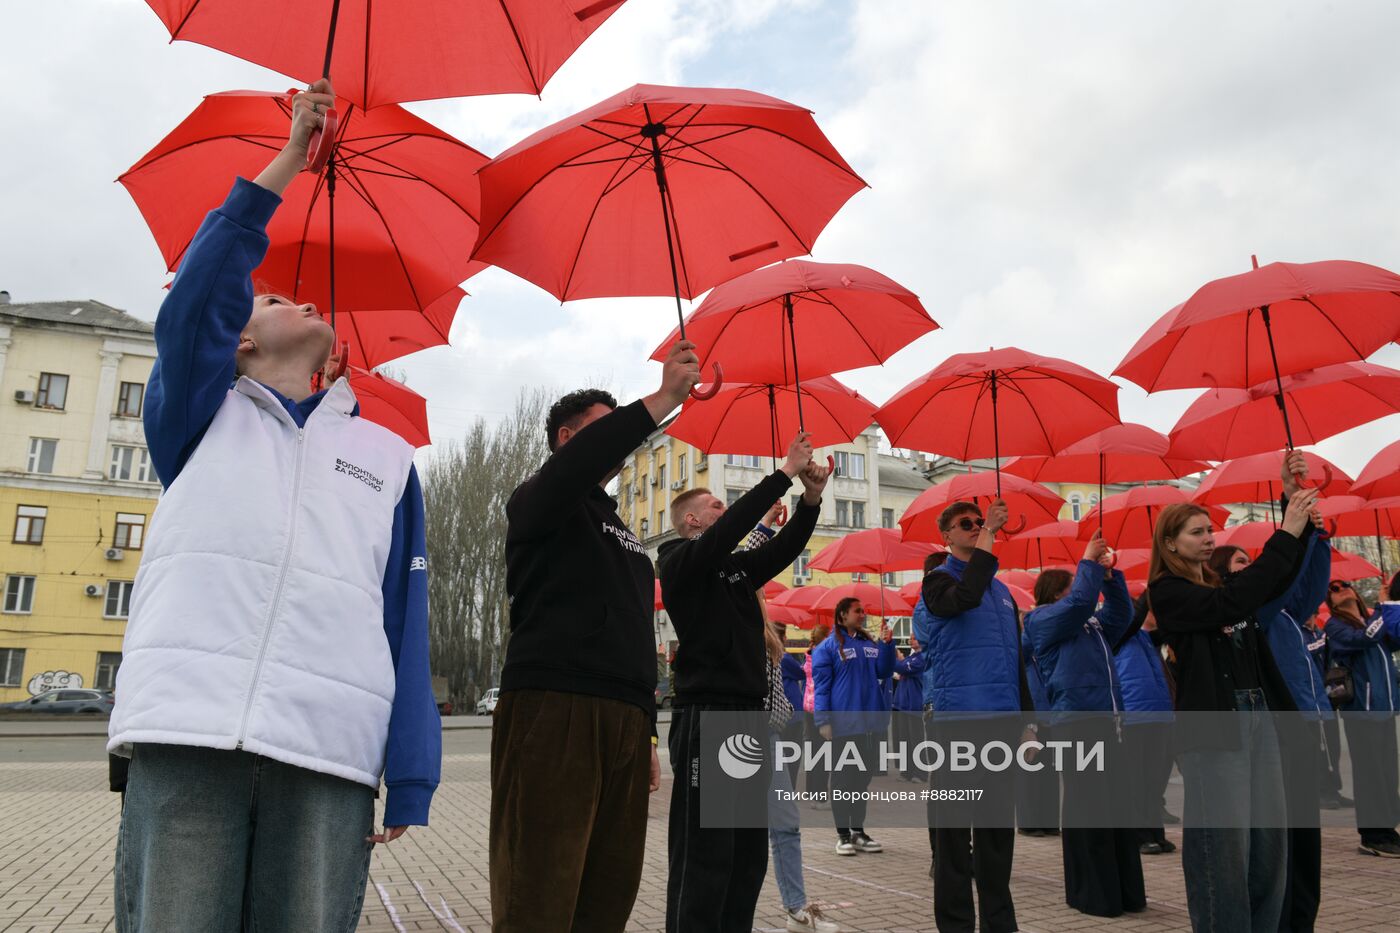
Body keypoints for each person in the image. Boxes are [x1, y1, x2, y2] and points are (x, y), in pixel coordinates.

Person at [108, 80, 440, 932]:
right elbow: (196, 303)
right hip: (188, 733)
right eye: (270, 298)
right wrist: (291, 156)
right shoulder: (197, 414)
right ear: (240, 340)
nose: (297, 298)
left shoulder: (386, 456)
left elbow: (404, 616)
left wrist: (410, 768)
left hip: (327, 750)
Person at [492, 346, 701, 929]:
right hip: (557, 708)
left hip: (626, 719)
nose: (623, 441)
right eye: (604, 430)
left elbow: (632, 634)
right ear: (567, 437)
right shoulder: (541, 497)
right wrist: (661, 401)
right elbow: (572, 472)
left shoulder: (616, 524)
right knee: (539, 892)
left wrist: (647, 735)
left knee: (608, 894)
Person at [659, 434, 829, 933]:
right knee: (705, 856)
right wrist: (781, 472)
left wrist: (810, 498)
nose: (724, 508)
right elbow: (732, 528)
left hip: (747, 719)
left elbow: (784, 549)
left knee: (745, 856)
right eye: (715, 504)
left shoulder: (732, 569)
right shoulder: (678, 562)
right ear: (693, 520)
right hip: (707, 718)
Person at [1147, 462, 1321, 933]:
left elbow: (1275, 582)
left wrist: (1293, 507)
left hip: (1261, 716)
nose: (1209, 538)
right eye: (1196, 532)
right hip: (1217, 731)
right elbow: (1232, 604)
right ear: (1169, 544)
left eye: (1210, 530)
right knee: (1222, 854)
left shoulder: (1221, 585)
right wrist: (1285, 532)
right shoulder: (1168, 592)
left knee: (1269, 851)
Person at [1209, 495, 1332, 931]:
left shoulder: (1282, 615)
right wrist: (1293, 523)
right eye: (1241, 560)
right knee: (1278, 842)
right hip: (1268, 731)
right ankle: (1280, 919)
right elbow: (1277, 576)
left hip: (1301, 723)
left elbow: (1308, 586)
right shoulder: (1242, 610)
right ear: (1224, 572)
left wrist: (1317, 538)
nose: (1251, 564)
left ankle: (1300, 918)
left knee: (1305, 837)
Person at [916, 499, 1032, 933]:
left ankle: (1001, 925)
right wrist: (989, 541)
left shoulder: (1002, 594)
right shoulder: (937, 579)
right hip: (957, 723)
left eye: (979, 523)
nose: (975, 527)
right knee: (952, 835)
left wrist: (1029, 721)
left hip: (1001, 723)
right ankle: (956, 925)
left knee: (997, 836)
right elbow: (960, 600)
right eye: (966, 524)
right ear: (946, 535)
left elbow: (1014, 661)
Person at [1024, 533, 1143, 918]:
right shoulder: (1041, 620)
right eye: (1072, 585)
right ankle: (1092, 893)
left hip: (1108, 720)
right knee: (1088, 809)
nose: (1079, 590)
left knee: (1118, 808)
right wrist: (1088, 564)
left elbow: (1121, 616)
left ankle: (1124, 891)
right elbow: (1079, 603)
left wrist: (1110, 577)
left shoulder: (1088, 624)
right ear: (1055, 592)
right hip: (1075, 723)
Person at [763, 618, 840, 933]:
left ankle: (796, 911)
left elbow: (782, 688)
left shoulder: (767, 636)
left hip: (768, 732)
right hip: (732, 730)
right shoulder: (726, 619)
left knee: (786, 825)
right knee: (730, 834)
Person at [812, 597, 897, 855]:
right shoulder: (827, 647)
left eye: (863, 609)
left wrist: (886, 644)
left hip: (870, 723)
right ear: (842, 616)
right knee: (843, 779)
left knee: (862, 778)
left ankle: (858, 832)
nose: (863, 614)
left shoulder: (869, 643)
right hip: (844, 725)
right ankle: (842, 834)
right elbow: (822, 687)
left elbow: (884, 670)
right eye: (857, 610)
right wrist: (823, 720)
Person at [1323, 576, 1400, 857]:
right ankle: (1372, 834)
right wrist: (1382, 608)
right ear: (1329, 601)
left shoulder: (1373, 619)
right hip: (1361, 713)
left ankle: (1387, 828)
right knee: (1370, 774)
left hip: (1384, 708)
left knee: (1388, 772)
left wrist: (1390, 605)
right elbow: (1365, 639)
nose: (1340, 589)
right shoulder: (1334, 626)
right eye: (1333, 589)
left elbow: (1395, 636)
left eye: (1343, 584)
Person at [1112, 598, 1177, 855]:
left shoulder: (1145, 638)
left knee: (1154, 780)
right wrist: (1154, 586)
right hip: (1133, 716)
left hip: (1159, 715)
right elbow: (1136, 615)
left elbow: (1172, 628)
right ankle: (1139, 836)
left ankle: (1155, 833)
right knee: (1136, 780)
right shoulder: (1117, 633)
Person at [891, 636, 930, 782]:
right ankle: (906, 771)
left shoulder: (922, 657)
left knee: (916, 740)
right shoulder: (912, 657)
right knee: (904, 739)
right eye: (911, 638)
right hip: (902, 703)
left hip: (914, 704)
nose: (911, 640)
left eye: (915, 638)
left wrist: (896, 659)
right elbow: (902, 666)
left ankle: (921, 773)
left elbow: (902, 668)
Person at [803, 624, 833, 803]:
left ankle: (810, 790)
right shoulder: (823, 658)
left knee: (812, 750)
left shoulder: (808, 657)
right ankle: (820, 794)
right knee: (823, 754)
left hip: (807, 706)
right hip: (820, 708)